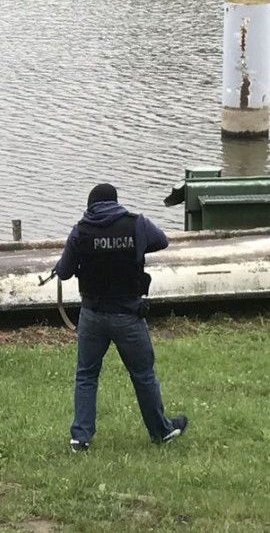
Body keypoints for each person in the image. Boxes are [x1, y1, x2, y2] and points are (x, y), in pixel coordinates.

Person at [54, 183, 188, 452]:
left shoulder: (81, 230)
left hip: (92, 316)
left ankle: (80, 438)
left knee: (86, 375)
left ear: (91, 205)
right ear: (115, 202)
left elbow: (65, 272)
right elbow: (162, 240)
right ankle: (161, 431)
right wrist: (137, 249)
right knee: (143, 374)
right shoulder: (136, 224)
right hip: (127, 316)